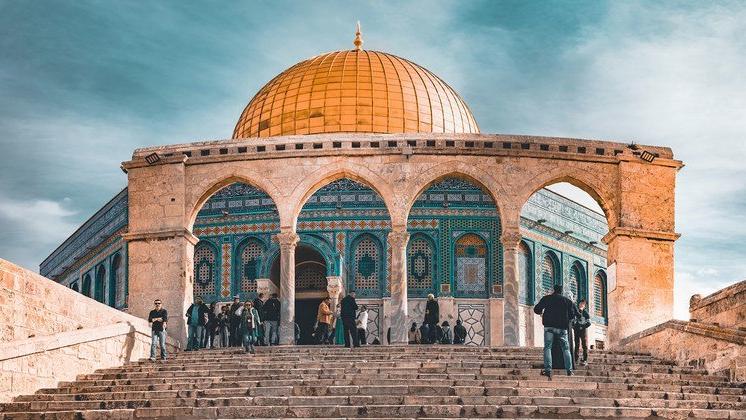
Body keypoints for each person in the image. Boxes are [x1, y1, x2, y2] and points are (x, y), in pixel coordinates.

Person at [533, 284, 578, 379]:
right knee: (565, 349)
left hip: (549, 327)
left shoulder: (547, 298)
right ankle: (569, 371)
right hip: (562, 328)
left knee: (548, 348)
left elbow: (536, 309)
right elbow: (572, 315)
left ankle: (548, 370)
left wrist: (542, 313)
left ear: (553, 290)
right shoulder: (567, 301)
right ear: (561, 291)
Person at [573, 299, 591, 366]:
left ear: (585, 306)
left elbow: (589, 323)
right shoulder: (576, 311)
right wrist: (574, 327)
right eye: (580, 303)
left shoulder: (586, 313)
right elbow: (573, 320)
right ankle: (576, 359)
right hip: (576, 330)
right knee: (576, 344)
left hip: (583, 330)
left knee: (584, 345)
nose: (581, 305)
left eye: (583, 304)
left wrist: (582, 326)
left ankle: (585, 359)